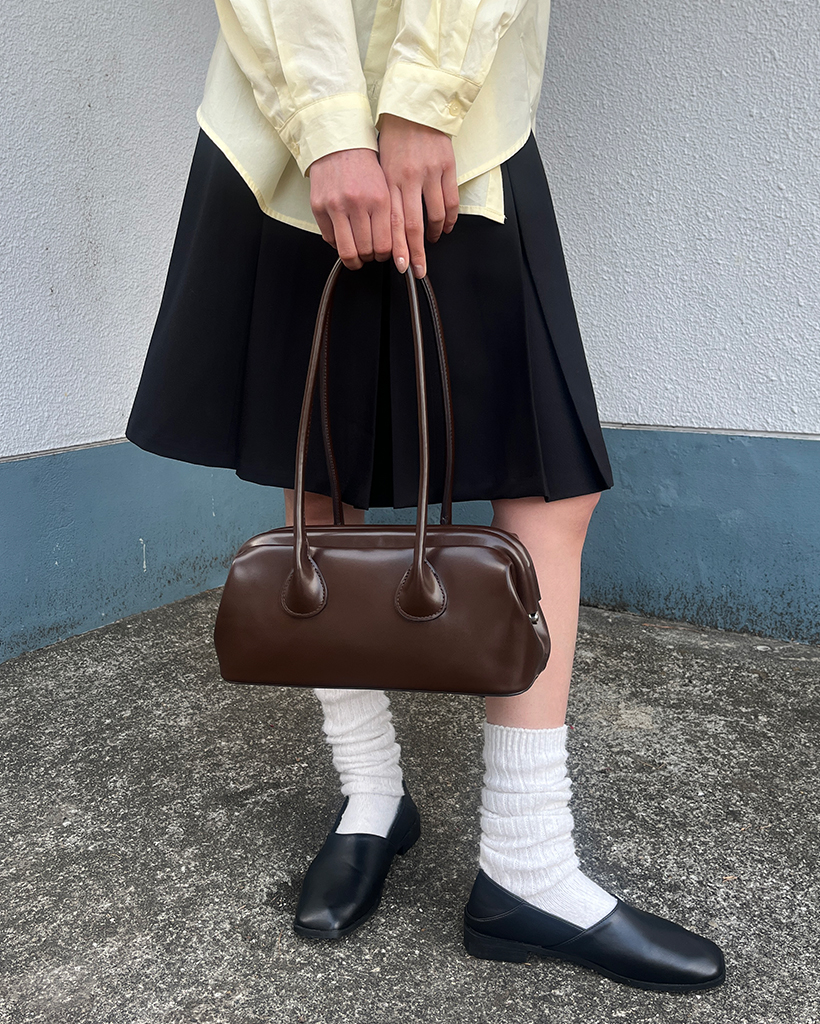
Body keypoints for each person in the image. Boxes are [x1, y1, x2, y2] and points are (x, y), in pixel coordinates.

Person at [126, 0, 726, 992]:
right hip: (288, 118)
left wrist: (421, 103)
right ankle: (370, 798)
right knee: (322, 472)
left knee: (548, 481)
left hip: (459, 122)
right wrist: (326, 126)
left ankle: (528, 861)